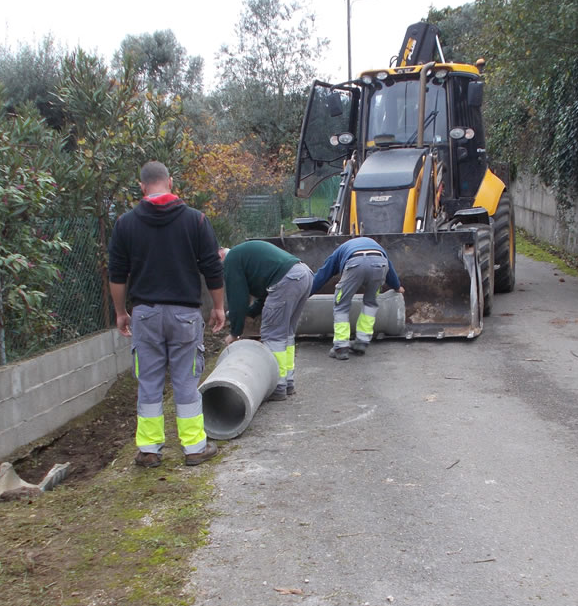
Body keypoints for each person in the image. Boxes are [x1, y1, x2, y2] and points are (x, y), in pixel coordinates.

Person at [108, 161, 226, 468]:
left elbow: (117, 274)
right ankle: (194, 448)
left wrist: (121, 312)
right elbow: (212, 268)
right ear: (170, 182)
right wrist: (217, 307)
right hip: (185, 315)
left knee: (149, 381)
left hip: (145, 315)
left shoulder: (125, 224)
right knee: (186, 380)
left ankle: (149, 450)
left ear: (142, 186)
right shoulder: (195, 221)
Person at [220, 240, 314, 400]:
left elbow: (237, 299)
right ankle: (288, 381)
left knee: (273, 335)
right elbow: (265, 294)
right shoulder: (245, 255)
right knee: (286, 333)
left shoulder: (231, 259)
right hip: (304, 274)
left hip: (287, 280)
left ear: (220, 256)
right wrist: (251, 312)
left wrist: (235, 333)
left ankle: (277, 385)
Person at [309, 236, 403, 360]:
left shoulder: (339, 251)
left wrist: (306, 292)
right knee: (370, 303)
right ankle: (362, 342)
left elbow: (323, 275)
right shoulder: (374, 245)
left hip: (355, 263)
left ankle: (341, 347)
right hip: (380, 263)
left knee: (341, 305)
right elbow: (389, 269)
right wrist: (397, 286)